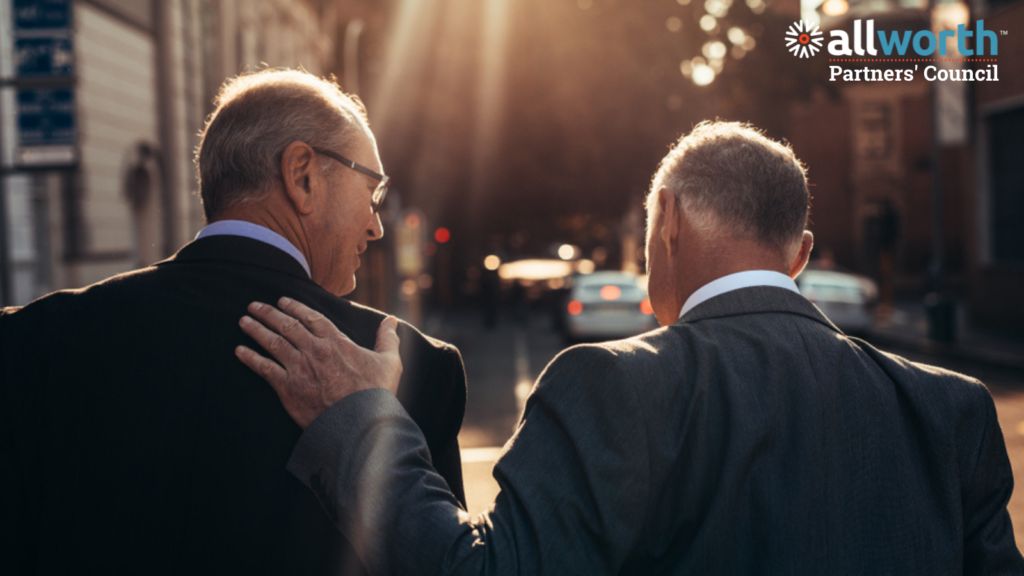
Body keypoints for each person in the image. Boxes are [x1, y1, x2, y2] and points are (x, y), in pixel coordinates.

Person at [236, 121, 1022, 575]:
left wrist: (363, 420)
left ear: (668, 221)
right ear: (802, 252)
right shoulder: (950, 409)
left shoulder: (610, 385)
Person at [0, 70, 467, 575]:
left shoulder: (32, 339)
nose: (376, 225)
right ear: (302, 175)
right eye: (372, 192)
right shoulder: (408, 365)